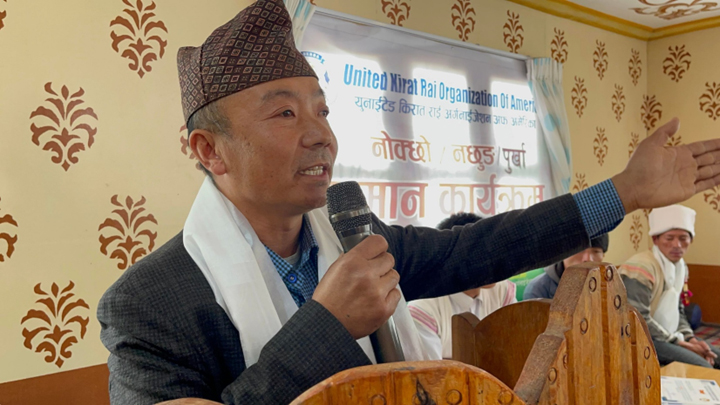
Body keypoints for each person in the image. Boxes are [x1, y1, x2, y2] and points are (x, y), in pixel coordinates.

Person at [97, 1, 720, 403]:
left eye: (322, 110)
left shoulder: (354, 236)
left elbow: (483, 247)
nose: (320, 135)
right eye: (284, 113)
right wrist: (328, 325)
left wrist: (625, 191)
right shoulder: (148, 305)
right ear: (210, 149)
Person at [620, 205, 720, 369]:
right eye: (669, 238)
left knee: (715, 356)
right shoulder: (641, 267)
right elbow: (637, 319)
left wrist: (690, 338)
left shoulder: (681, 267)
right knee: (702, 367)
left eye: (683, 238)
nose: (677, 245)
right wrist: (680, 343)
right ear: (655, 240)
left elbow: (678, 311)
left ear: (691, 240)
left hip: (670, 335)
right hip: (641, 337)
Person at [408, 213, 517, 360]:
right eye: (485, 253)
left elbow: (515, 350)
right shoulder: (424, 310)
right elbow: (431, 372)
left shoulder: (503, 292)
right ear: (456, 257)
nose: (496, 260)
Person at [523, 234, 609, 300]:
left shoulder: (610, 286)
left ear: (603, 256)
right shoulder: (539, 290)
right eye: (579, 250)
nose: (588, 259)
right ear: (564, 253)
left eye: (596, 252)